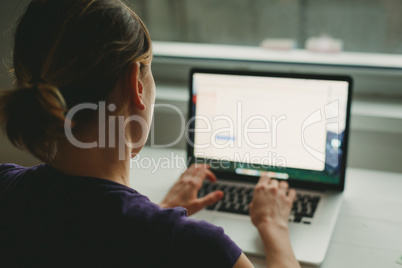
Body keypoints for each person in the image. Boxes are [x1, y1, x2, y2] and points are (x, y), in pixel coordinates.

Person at [0, 1, 300, 267]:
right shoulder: (198, 249)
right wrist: (273, 227)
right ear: (137, 85)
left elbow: (89, 232)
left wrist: (157, 213)